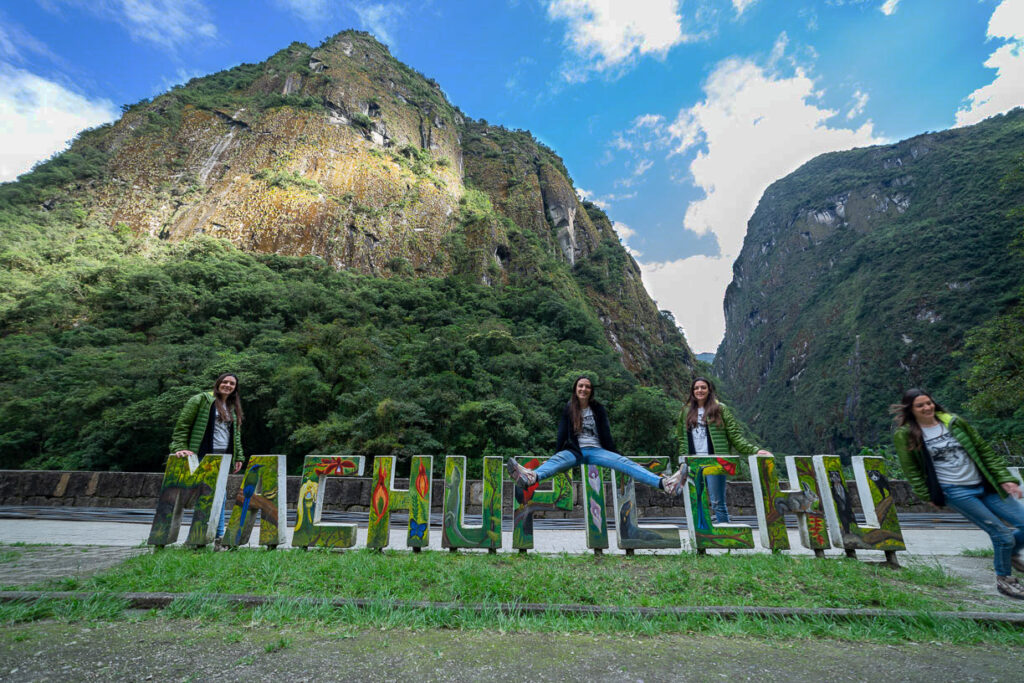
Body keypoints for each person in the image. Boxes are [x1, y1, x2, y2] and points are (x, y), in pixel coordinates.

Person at [893, 388, 1024, 599]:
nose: (927, 408)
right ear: (911, 410)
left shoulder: (953, 422)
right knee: (1001, 534)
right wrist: (929, 496)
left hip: (984, 484)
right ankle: (1005, 581)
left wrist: (1005, 478)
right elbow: (912, 471)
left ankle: (1008, 553)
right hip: (956, 491)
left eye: (929, 402)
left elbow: (983, 449)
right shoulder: (905, 435)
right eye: (920, 405)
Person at [506, 376, 687, 495]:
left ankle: (665, 485)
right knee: (555, 463)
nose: (584, 389)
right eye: (581, 386)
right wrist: (556, 455)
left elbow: (606, 434)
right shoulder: (569, 408)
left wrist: (616, 455)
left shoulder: (598, 408)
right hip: (574, 451)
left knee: (626, 464)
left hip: (597, 450)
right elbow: (562, 435)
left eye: (587, 387)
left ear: (591, 390)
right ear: (575, 388)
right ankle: (530, 478)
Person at [673, 377, 771, 524]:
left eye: (703, 387)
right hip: (693, 462)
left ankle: (726, 540)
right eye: (696, 388)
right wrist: (683, 461)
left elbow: (734, 436)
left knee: (717, 501)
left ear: (709, 390)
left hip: (715, 462)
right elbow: (681, 438)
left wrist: (755, 450)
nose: (700, 390)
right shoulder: (686, 411)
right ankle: (701, 539)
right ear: (692, 391)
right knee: (697, 501)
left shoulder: (720, 409)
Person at [169, 372, 246, 548]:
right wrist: (179, 447)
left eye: (232, 383)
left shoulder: (232, 406)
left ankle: (213, 536)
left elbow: (236, 435)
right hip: (204, 454)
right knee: (211, 494)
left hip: (224, 456)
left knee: (219, 494)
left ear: (235, 388)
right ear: (218, 383)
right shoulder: (201, 400)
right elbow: (183, 425)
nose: (228, 385)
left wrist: (239, 456)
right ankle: (216, 535)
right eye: (225, 382)